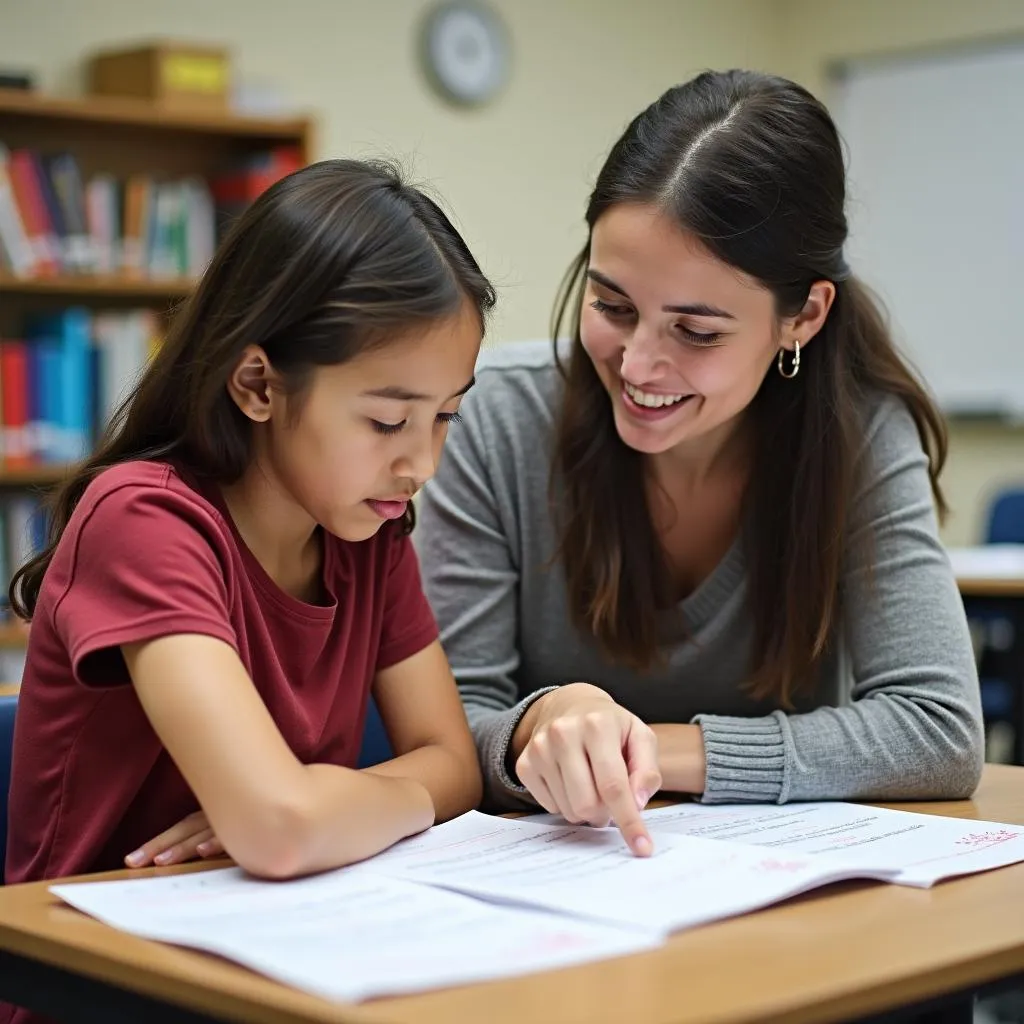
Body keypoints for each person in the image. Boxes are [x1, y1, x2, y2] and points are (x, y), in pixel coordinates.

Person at [415, 69, 984, 858]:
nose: (640, 364)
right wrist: (540, 726)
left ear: (804, 317)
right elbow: (446, 721)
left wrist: (645, 749)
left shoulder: (860, 435)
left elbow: (937, 730)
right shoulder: (497, 420)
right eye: (612, 305)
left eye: (698, 332)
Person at [5, 160, 491, 904]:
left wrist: (319, 802)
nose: (421, 462)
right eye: (388, 420)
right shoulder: (143, 519)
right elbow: (279, 829)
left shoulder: (371, 532)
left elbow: (454, 763)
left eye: (446, 415)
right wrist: (310, 809)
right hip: (92, 973)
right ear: (258, 385)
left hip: (281, 934)